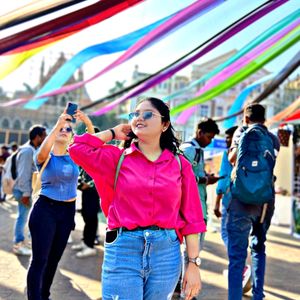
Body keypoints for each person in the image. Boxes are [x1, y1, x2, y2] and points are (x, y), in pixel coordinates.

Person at [69, 97, 206, 300]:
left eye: (148, 114)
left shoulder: (180, 164)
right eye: (135, 114)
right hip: (123, 248)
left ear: (165, 124)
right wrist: (114, 132)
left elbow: (192, 218)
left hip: (166, 253)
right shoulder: (116, 158)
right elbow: (77, 149)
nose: (139, 118)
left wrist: (193, 264)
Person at [27, 110, 87, 300]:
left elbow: (94, 142)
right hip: (45, 210)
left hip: (67, 212)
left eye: (68, 129)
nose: (64, 130)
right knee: (39, 260)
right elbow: (43, 151)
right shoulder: (45, 156)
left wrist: (86, 121)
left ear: (71, 135)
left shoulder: (75, 156)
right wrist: (58, 123)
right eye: (61, 128)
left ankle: (45, 295)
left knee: (53, 261)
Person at [227, 104, 280, 300]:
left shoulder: (241, 133)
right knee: (258, 246)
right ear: (264, 119)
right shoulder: (272, 138)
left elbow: (232, 158)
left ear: (246, 119)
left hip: (240, 200)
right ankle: (258, 295)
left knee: (237, 255)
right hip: (265, 202)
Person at [177, 118, 220, 300]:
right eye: (208, 137)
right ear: (200, 132)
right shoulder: (190, 150)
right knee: (191, 255)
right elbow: (179, 177)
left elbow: (193, 176)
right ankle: (186, 293)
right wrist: (205, 180)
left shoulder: (196, 150)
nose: (209, 141)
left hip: (196, 209)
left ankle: (183, 290)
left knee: (189, 254)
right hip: (192, 211)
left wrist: (204, 177)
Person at [12, 125, 47, 256]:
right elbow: (23, 174)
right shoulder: (28, 151)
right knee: (22, 217)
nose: (45, 138)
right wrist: (26, 194)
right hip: (23, 191)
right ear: (37, 137)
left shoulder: (33, 149)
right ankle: (18, 244)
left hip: (27, 190)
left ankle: (26, 243)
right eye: (43, 136)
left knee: (27, 217)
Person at [72, 125, 101, 258]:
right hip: (85, 190)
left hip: (93, 191)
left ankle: (90, 245)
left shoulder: (100, 152)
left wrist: (88, 184)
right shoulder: (88, 151)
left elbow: (101, 174)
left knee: (91, 216)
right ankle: (85, 242)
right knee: (86, 215)